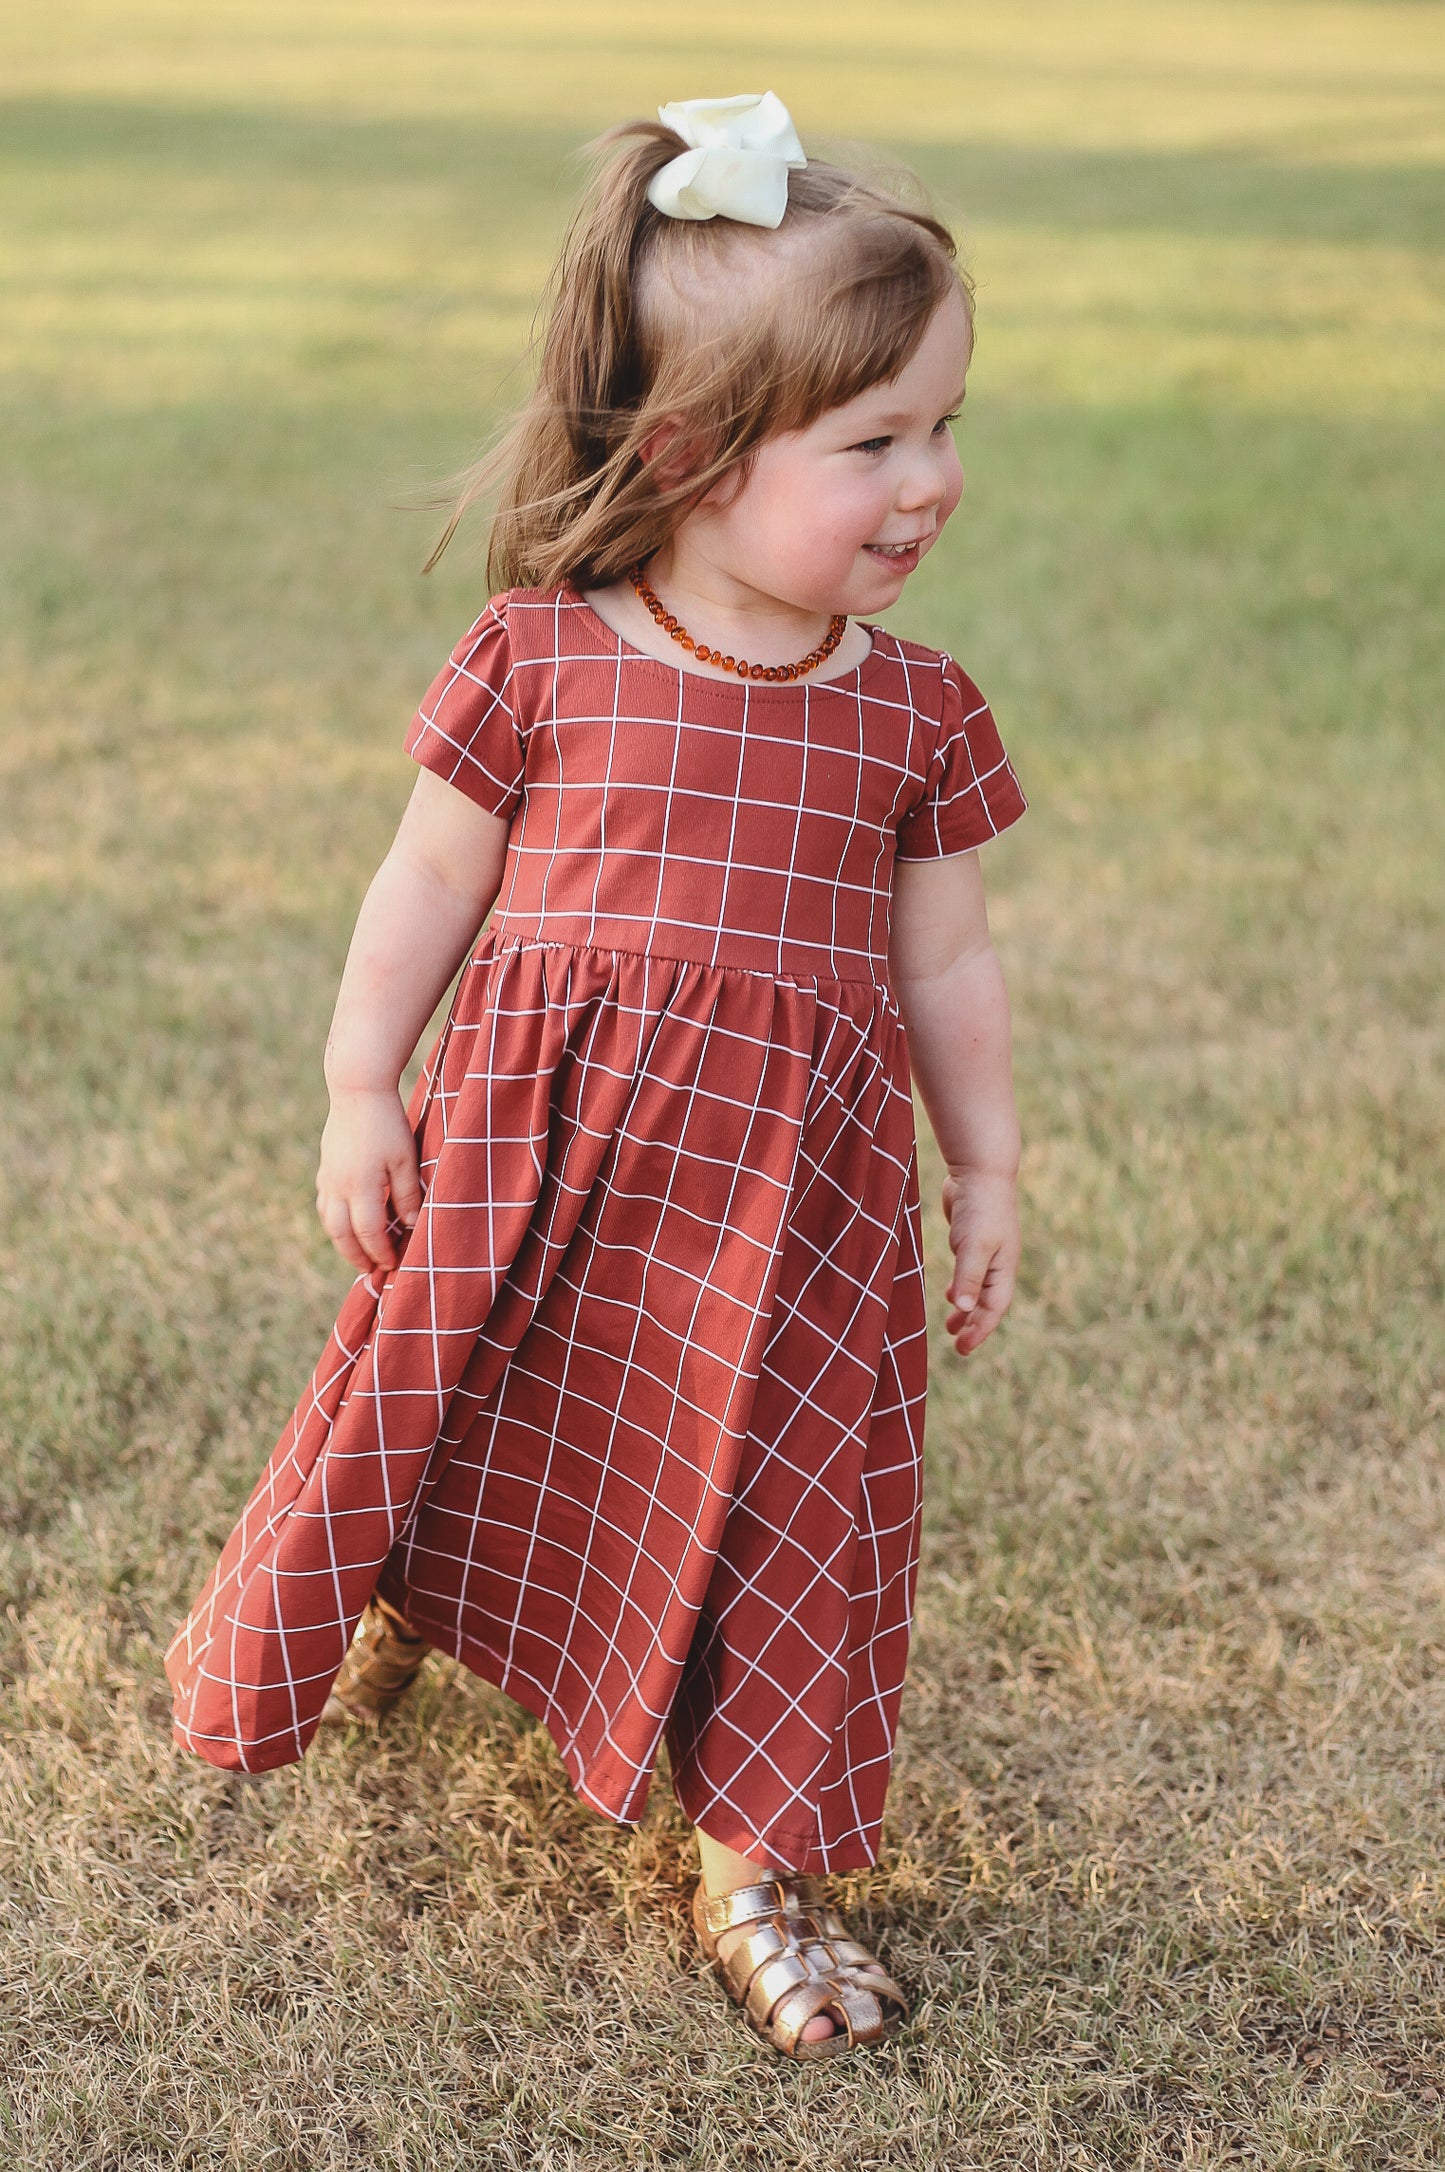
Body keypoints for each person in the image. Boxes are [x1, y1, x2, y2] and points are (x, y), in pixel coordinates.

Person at [166, 92, 1027, 2061]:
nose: (934, 483)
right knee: (467, 1402)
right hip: (534, 1169)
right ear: (688, 458)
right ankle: (392, 1605)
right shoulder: (543, 658)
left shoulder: (911, 710)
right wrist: (358, 1090)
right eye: (875, 442)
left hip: (794, 1215)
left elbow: (949, 956)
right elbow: (425, 883)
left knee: (794, 1503)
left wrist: (980, 1173)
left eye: (949, 427)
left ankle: (761, 1862)